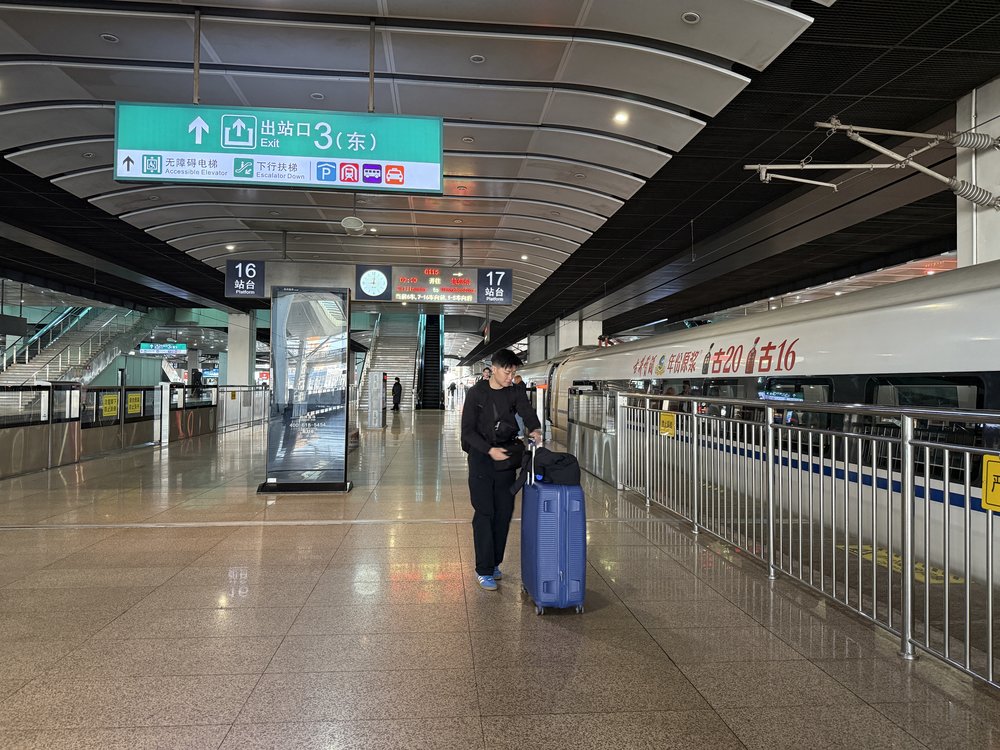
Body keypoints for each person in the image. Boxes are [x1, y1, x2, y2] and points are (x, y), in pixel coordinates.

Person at [461, 349, 541, 591]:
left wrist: (535, 429)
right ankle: (483, 569)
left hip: (505, 460)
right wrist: (488, 450)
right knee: (485, 514)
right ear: (493, 369)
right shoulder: (477, 394)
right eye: (507, 372)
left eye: (514, 372)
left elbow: (526, 411)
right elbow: (467, 432)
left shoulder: (514, 391)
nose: (510, 376)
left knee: (504, 513)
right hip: (482, 461)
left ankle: (495, 563)